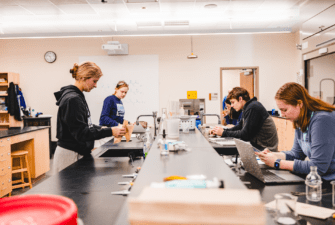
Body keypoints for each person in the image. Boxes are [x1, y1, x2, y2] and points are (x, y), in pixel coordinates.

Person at [53, 62, 126, 172]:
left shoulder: (77, 96)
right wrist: (110, 131)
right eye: (94, 81)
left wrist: (101, 128)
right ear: (83, 78)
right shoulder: (72, 99)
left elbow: (84, 125)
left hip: (75, 151)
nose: (96, 85)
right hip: (69, 154)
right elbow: (82, 133)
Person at [256, 82, 335, 180]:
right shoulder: (301, 120)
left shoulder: (322, 120)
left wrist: (277, 163)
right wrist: (272, 155)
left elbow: (318, 167)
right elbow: (296, 154)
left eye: (285, 110)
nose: (282, 114)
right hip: (321, 179)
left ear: (299, 104)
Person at [212, 87, 278, 152]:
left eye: (233, 102)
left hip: (264, 150)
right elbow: (239, 127)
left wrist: (224, 133)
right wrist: (222, 131)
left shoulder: (253, 107)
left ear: (240, 99)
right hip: (258, 146)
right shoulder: (247, 107)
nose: (231, 105)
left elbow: (245, 135)